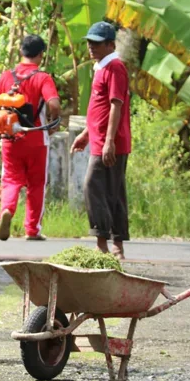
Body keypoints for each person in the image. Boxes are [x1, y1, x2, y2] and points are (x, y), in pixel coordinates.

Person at [71, 22, 131, 259]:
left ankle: (102, 242)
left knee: (93, 187)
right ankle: (116, 246)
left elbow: (116, 105)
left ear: (110, 45)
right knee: (112, 191)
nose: (91, 47)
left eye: (96, 43)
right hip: (101, 140)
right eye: (89, 42)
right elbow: (100, 108)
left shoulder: (115, 68)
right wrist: (87, 134)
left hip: (110, 142)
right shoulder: (101, 68)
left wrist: (109, 141)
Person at [0, 35, 61, 241]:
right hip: (36, 139)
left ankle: (7, 210)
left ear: (21, 51)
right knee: (36, 184)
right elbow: (54, 104)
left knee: (11, 180)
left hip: (10, 138)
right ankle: (32, 230)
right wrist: (54, 122)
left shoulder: (6, 76)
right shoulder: (42, 77)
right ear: (40, 54)